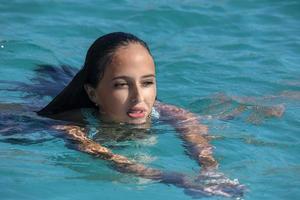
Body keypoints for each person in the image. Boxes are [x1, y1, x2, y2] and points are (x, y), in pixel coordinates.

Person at [35, 32, 243, 197]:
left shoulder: (165, 110)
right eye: (122, 85)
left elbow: (190, 125)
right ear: (92, 93)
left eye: (147, 83)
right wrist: (179, 180)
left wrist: (210, 169)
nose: (138, 97)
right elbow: (112, 159)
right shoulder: (71, 127)